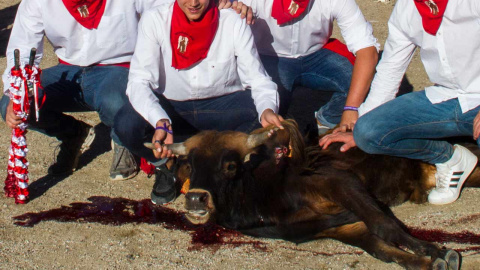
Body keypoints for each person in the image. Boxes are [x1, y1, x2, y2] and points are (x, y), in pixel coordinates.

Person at [0, 0, 250, 181]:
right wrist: (18, 92)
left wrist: (218, 5)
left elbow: (170, 9)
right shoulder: (37, 2)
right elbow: (21, 52)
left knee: (118, 99)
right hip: (69, 71)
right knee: (11, 105)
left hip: (118, 69)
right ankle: (72, 133)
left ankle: (122, 142)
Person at [113, 0, 283, 205]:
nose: (193, 3)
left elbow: (258, 79)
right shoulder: (154, 19)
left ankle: (220, 163)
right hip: (173, 109)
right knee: (126, 124)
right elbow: (139, 81)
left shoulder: (232, 21)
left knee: (270, 116)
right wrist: (160, 120)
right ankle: (166, 164)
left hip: (221, 106)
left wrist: (267, 109)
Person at [320, 0, 480, 205]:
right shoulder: (407, 8)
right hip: (444, 97)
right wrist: (358, 130)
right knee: (368, 131)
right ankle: (450, 158)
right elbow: (390, 70)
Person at [238, 0, 379, 133]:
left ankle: (327, 119)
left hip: (316, 54)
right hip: (270, 56)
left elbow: (367, 50)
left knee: (366, 81)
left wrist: (351, 108)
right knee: (263, 106)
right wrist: (236, 9)